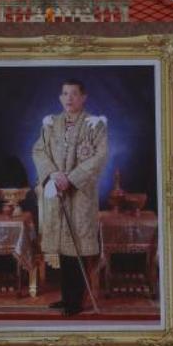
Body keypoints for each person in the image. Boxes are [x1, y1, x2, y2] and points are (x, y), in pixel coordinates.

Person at [32, 79, 108, 315]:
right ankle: (67, 298)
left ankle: (76, 301)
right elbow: (39, 150)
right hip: (57, 192)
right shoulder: (50, 124)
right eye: (65, 94)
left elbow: (100, 157)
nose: (68, 98)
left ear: (83, 97)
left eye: (74, 94)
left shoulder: (94, 125)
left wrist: (71, 178)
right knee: (64, 249)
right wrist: (53, 174)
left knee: (76, 248)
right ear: (60, 97)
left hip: (80, 195)